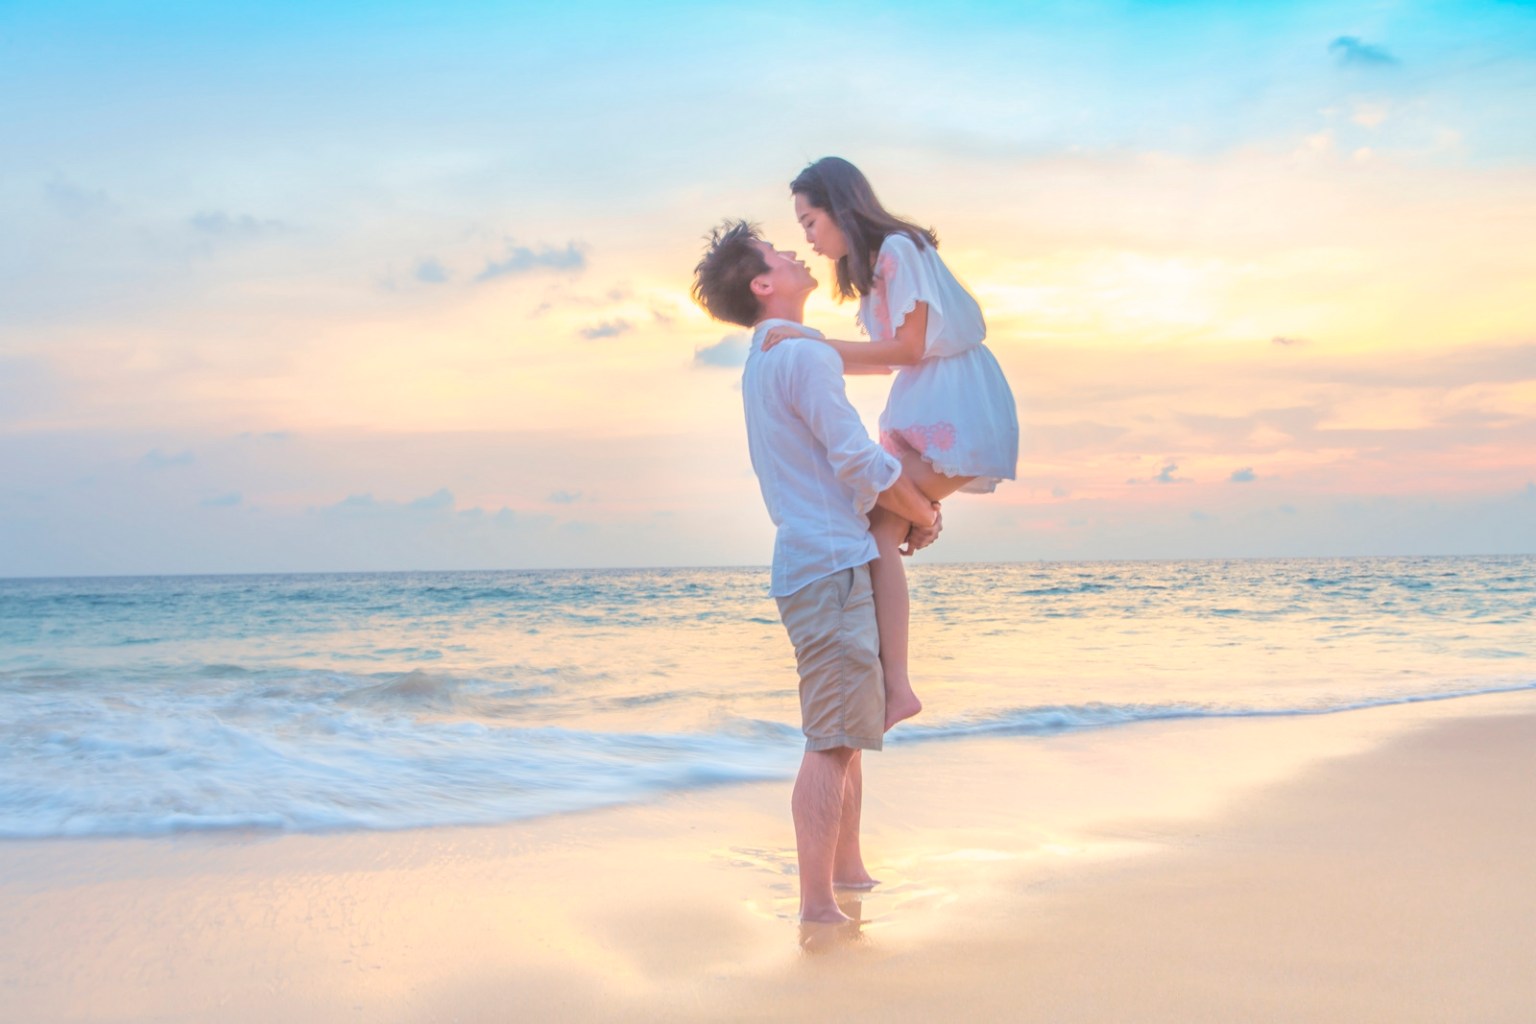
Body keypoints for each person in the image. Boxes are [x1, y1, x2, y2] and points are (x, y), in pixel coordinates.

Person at [691, 220, 943, 925]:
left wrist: (905, 511)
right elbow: (856, 459)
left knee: (848, 731)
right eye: (779, 253)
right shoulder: (799, 356)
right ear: (762, 284)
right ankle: (816, 905)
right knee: (830, 740)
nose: (796, 252)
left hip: (825, 559)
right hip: (826, 563)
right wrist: (920, 509)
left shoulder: (773, 355)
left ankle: (848, 872)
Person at [764, 157, 1020, 731]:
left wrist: (808, 344)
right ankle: (891, 680)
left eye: (810, 222)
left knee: (883, 518)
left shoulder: (899, 250)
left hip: (956, 402)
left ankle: (896, 684)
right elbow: (887, 361)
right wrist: (808, 349)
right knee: (885, 517)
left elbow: (907, 349)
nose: (808, 239)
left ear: (840, 208)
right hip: (929, 399)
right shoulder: (878, 267)